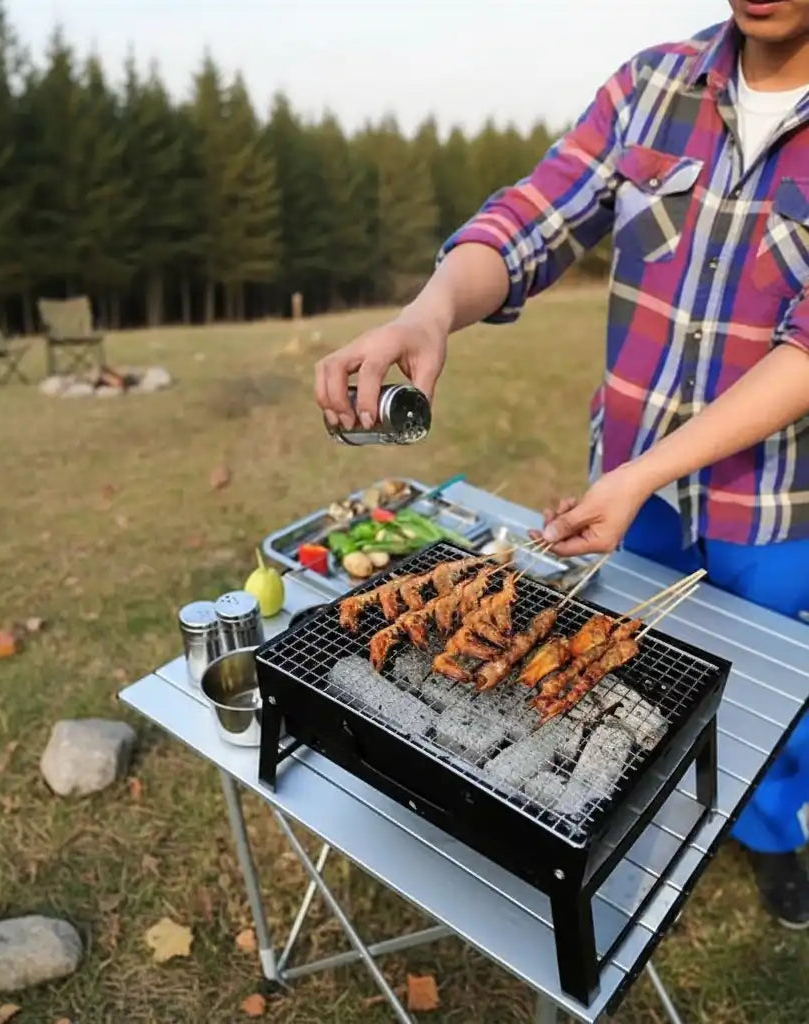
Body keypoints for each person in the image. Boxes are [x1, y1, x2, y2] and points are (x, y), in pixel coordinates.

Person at [314, 2, 809, 928]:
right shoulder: (652, 86)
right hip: (627, 496)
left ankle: (776, 839)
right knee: (624, 690)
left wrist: (643, 473)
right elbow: (529, 219)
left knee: (777, 713)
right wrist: (427, 314)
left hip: (778, 506)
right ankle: (635, 843)